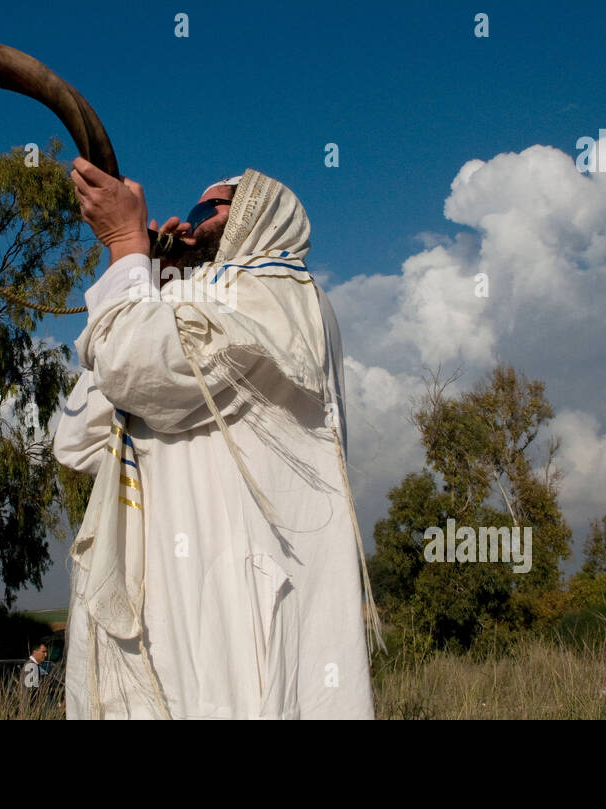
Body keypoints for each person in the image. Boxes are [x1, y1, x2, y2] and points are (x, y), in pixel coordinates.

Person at [54, 158, 383, 719]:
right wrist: (148, 278)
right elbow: (76, 437)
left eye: (213, 206)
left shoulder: (280, 292)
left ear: (261, 211)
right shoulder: (197, 304)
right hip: (171, 590)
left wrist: (125, 244)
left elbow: (135, 362)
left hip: (237, 593)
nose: (193, 219)